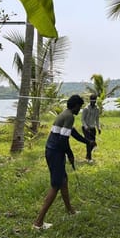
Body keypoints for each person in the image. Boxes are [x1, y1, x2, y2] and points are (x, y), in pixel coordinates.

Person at [33, 95, 94, 230]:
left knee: (63, 181)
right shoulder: (70, 116)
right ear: (76, 105)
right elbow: (62, 140)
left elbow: (73, 133)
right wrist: (70, 154)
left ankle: (70, 210)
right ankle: (38, 222)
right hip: (55, 152)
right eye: (79, 106)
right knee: (56, 185)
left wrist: (88, 142)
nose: (80, 110)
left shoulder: (65, 114)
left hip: (53, 151)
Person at [81, 94, 101, 163]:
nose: (93, 102)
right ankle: (89, 158)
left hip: (92, 128)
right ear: (90, 100)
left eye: (94, 101)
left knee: (93, 143)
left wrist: (98, 128)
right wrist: (86, 127)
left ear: (96, 101)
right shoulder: (86, 109)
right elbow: (82, 119)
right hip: (85, 128)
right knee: (89, 142)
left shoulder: (97, 109)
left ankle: (87, 155)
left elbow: (97, 119)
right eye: (92, 101)